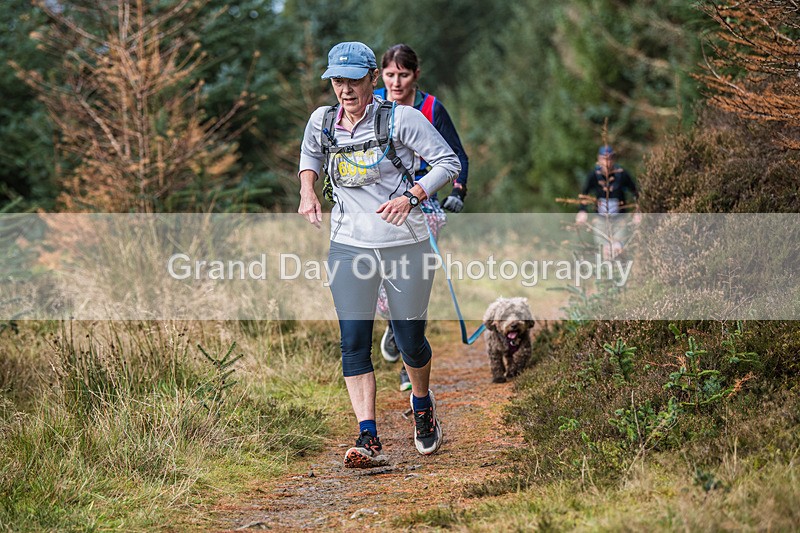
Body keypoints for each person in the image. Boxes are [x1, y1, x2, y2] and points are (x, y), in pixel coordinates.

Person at [297, 42, 460, 468]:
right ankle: (368, 436)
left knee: (410, 341)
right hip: (349, 245)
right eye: (337, 81)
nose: (345, 90)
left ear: (373, 78)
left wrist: (413, 195)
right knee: (353, 342)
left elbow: (448, 162)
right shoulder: (322, 120)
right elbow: (310, 154)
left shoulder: (402, 118)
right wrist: (308, 190)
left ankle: (422, 404)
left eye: (354, 80)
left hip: (405, 243)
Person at [373, 44, 470, 392]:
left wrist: (458, 191)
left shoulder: (431, 108)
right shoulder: (373, 104)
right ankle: (393, 325)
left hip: (424, 201)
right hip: (381, 201)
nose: (396, 82)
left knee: (412, 282)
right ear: (380, 76)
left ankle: (408, 359)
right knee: (377, 279)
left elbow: (457, 155)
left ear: (416, 75)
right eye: (390, 75)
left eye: (403, 75)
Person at [575, 145, 640, 258]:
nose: (607, 162)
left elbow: (636, 192)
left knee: (617, 249)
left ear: (614, 159)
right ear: (599, 159)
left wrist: (638, 211)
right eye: (604, 159)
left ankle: (621, 267)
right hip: (601, 220)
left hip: (619, 219)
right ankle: (606, 268)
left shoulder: (621, 174)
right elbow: (584, 194)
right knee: (604, 251)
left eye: (610, 159)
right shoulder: (594, 175)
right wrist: (582, 210)